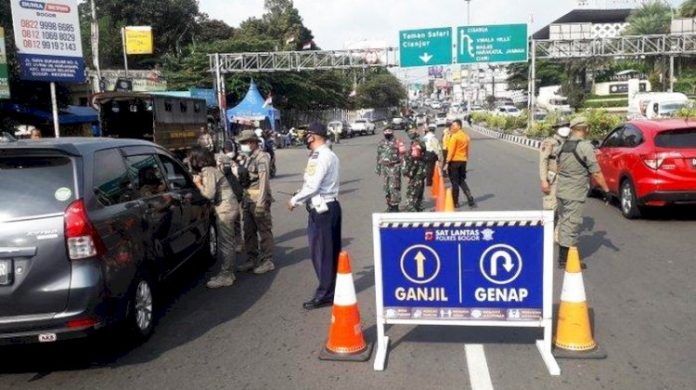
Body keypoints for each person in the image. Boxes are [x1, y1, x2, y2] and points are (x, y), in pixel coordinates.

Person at [288, 122, 342, 310]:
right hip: (329, 206)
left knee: (322, 253)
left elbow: (312, 186)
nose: (305, 138)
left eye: (308, 134)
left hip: (322, 209)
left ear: (315, 136)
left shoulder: (319, 156)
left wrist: (295, 200)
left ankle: (326, 293)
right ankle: (331, 288)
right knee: (329, 252)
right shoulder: (330, 154)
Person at [555, 117, 610, 269]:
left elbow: (558, 168)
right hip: (574, 192)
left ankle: (563, 257)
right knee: (571, 226)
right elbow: (596, 172)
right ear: (584, 129)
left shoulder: (563, 145)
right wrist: (606, 190)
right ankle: (565, 260)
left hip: (561, 191)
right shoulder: (585, 147)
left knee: (564, 222)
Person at [190, 147, 241, 288]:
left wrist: (198, 183)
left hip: (226, 209)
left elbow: (209, 194)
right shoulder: (211, 170)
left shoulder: (208, 171)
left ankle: (227, 275)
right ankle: (227, 272)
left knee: (226, 243)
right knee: (228, 241)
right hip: (229, 206)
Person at [237, 130, 275, 274]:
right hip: (248, 200)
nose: (244, 145)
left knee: (264, 231)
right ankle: (252, 258)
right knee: (248, 231)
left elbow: (264, 181)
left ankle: (267, 260)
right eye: (242, 143)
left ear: (253, 142)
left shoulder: (261, 157)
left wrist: (261, 203)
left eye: (245, 142)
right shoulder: (248, 158)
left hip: (259, 199)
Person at [539, 121, 571, 215]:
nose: (565, 128)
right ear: (556, 129)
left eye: (566, 126)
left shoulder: (572, 142)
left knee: (566, 206)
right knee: (551, 206)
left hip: (568, 177)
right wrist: (544, 180)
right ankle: (550, 228)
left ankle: (560, 229)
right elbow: (543, 161)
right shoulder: (549, 142)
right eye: (562, 126)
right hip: (554, 178)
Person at [445, 119, 476, 208]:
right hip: (463, 161)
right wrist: (465, 159)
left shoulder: (455, 136)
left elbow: (451, 151)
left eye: (454, 126)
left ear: (459, 126)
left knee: (454, 182)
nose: (452, 127)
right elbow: (467, 150)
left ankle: (455, 202)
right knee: (461, 180)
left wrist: (447, 162)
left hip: (454, 161)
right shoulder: (466, 136)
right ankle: (469, 196)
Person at [376, 127, 402, 212]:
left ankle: (395, 206)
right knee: (386, 187)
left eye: (389, 131)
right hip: (385, 168)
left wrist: (404, 167)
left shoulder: (397, 142)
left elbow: (402, 155)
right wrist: (378, 167)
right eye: (386, 131)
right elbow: (379, 155)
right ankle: (389, 205)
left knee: (394, 187)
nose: (387, 132)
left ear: (392, 131)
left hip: (394, 167)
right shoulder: (381, 143)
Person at [403, 128, 427, 212]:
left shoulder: (416, 144)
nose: (409, 133)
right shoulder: (420, 141)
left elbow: (415, 160)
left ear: (416, 132)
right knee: (419, 189)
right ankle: (417, 205)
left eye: (411, 131)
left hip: (416, 171)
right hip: (422, 170)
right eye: (408, 132)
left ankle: (411, 207)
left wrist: (409, 173)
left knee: (412, 190)